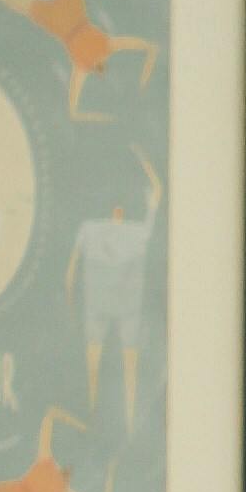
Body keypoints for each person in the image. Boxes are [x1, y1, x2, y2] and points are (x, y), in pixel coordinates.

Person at [0, 0, 158, 119]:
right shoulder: (107, 46)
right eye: (105, 70)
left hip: (55, 20)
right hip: (72, 4)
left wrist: (102, 117)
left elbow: (73, 108)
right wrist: (144, 77)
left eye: (100, 74)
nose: (102, 71)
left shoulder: (82, 66)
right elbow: (145, 46)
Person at [66, 145, 163, 429]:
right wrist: (144, 160)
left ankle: (93, 418)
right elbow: (157, 193)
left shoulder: (88, 229)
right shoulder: (139, 233)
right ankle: (129, 422)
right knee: (129, 367)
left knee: (93, 366)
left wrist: (71, 304)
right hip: (127, 308)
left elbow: (71, 271)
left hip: (97, 307)